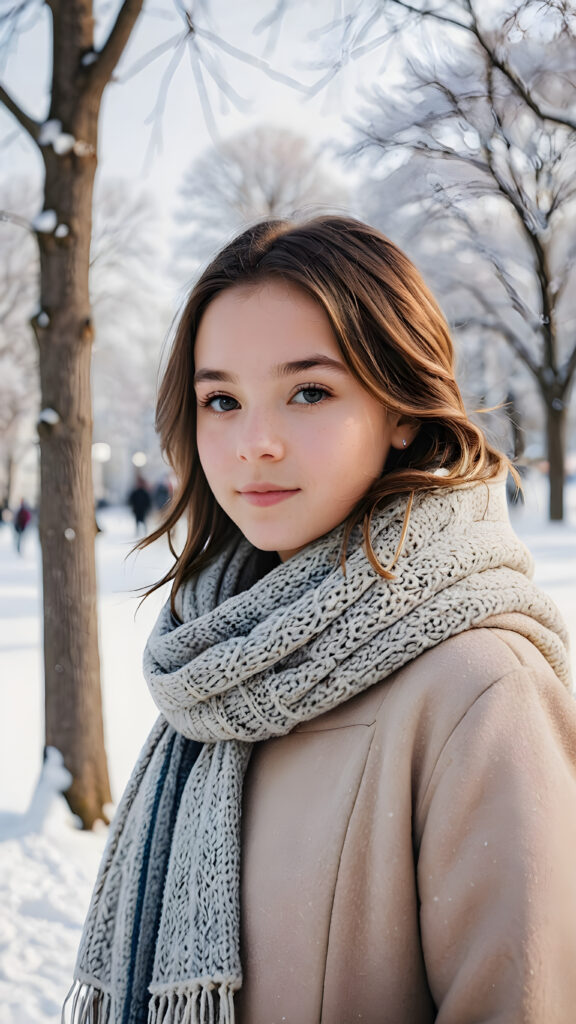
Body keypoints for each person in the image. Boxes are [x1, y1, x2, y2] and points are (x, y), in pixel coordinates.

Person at [65, 217, 576, 1024]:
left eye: (310, 391)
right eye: (221, 400)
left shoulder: (481, 691)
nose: (254, 443)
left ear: (400, 407)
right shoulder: (217, 662)